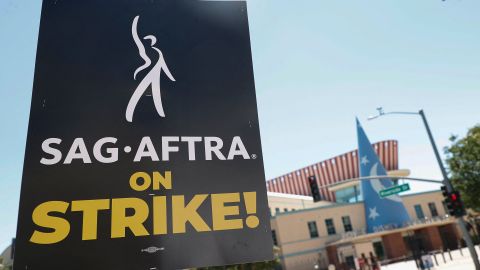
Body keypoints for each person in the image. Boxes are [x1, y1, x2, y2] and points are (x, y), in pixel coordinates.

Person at [126, 15, 176, 122]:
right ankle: (129, 115)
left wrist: (170, 77)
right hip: (147, 76)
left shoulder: (156, 52)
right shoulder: (146, 50)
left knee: (156, 97)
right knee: (138, 94)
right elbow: (136, 38)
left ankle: (159, 117)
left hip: (155, 76)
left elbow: (163, 65)